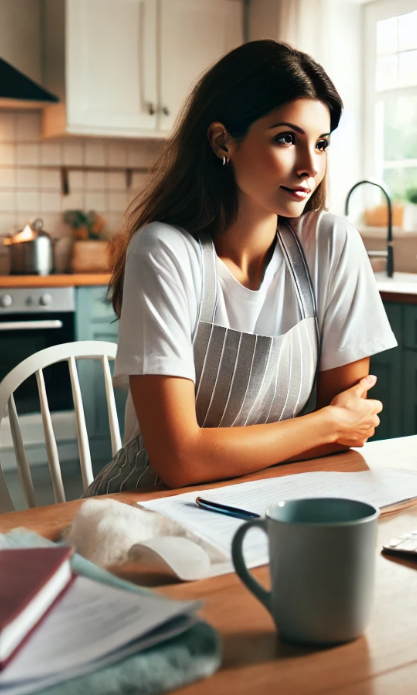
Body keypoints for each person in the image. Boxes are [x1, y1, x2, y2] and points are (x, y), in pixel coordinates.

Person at [85, 40, 397, 495]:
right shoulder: (165, 251)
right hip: (146, 508)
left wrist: (330, 427)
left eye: (322, 143)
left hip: (272, 498)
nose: (311, 166)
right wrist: (326, 423)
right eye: (286, 138)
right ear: (222, 140)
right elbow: (178, 461)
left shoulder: (330, 243)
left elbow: (345, 438)